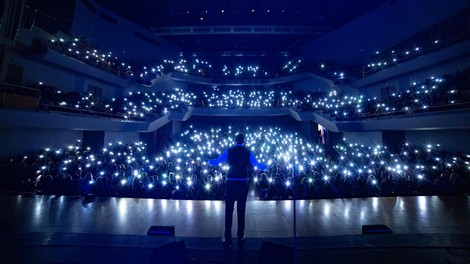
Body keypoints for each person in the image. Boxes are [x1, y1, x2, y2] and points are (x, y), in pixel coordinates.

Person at [208, 133, 268, 246]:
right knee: (241, 209)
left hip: (231, 182)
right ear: (243, 141)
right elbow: (257, 164)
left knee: (229, 209)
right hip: (243, 182)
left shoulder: (229, 151)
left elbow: (217, 161)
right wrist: (266, 166)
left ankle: (227, 236)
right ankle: (240, 235)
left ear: (235, 140)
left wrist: (209, 161)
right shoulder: (248, 152)